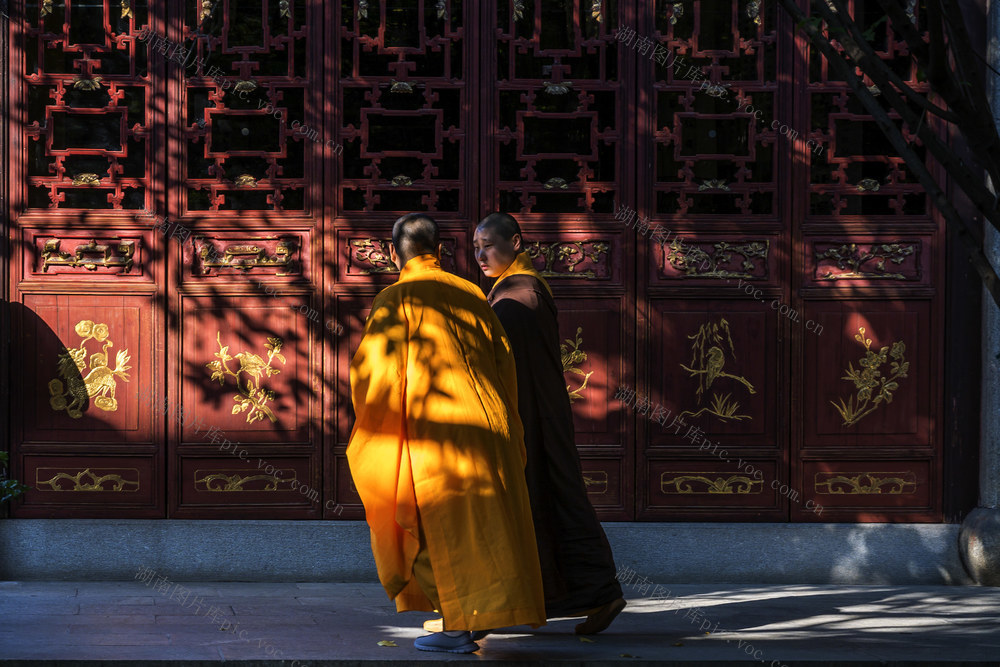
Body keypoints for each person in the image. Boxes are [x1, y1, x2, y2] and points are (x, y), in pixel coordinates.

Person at [347, 212, 546, 654]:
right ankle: (474, 618)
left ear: (394, 253)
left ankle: (458, 630)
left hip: (438, 430)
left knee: (442, 526)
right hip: (489, 423)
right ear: (440, 250)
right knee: (486, 527)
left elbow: (374, 379)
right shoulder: (473, 293)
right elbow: (503, 362)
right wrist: (507, 423)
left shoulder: (394, 299)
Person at [473, 212, 626, 635]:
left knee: (534, 503)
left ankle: (496, 606)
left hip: (529, 417)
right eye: (475, 247)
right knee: (556, 498)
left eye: (488, 244)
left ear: (515, 243)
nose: (480, 254)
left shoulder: (516, 299)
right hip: (539, 413)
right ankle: (598, 593)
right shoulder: (518, 289)